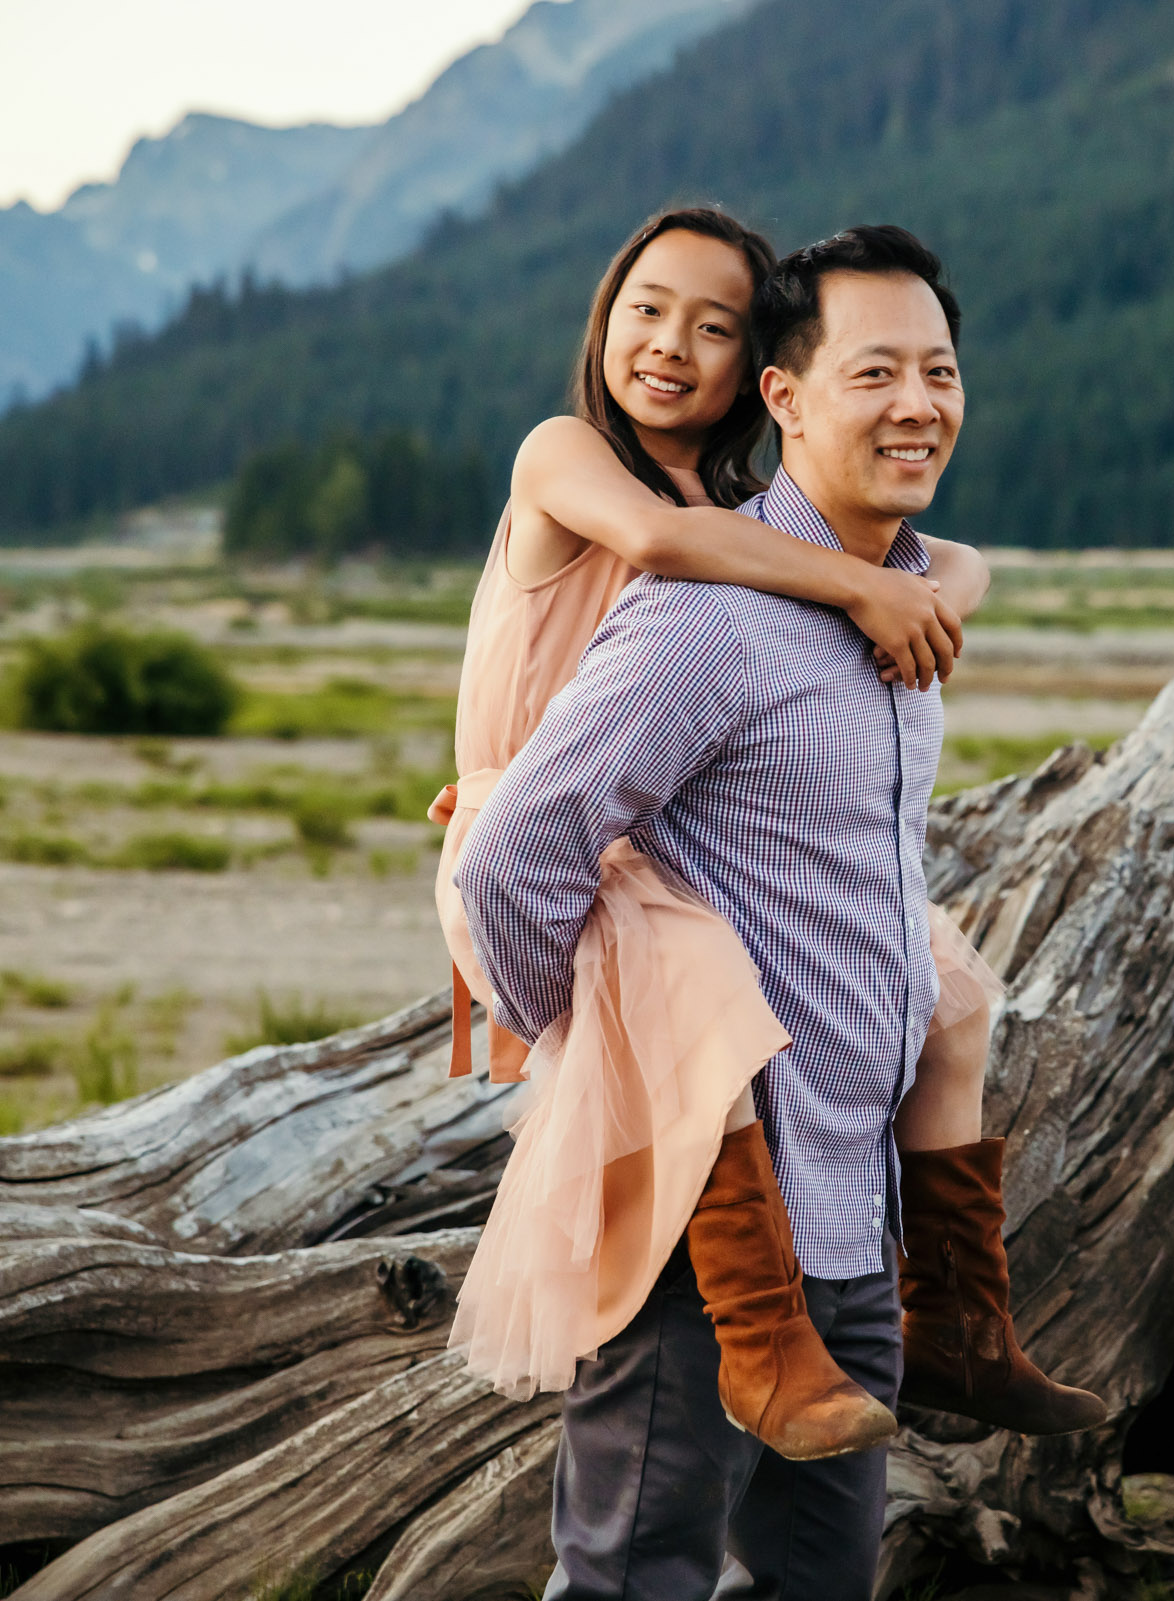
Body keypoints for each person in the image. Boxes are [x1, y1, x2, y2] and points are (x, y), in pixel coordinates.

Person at [437, 210, 1103, 1539]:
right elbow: (522, 855)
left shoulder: (871, 591)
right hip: (703, 1221)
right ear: (791, 399)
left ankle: (960, 1315)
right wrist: (590, 1042)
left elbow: (909, 560)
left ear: (747, 370)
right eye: (876, 372)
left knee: (947, 988)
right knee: (638, 1577)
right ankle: (766, 1286)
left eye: (941, 372)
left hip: (855, 1230)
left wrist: (899, 583)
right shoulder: (665, 556)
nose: (671, 345)